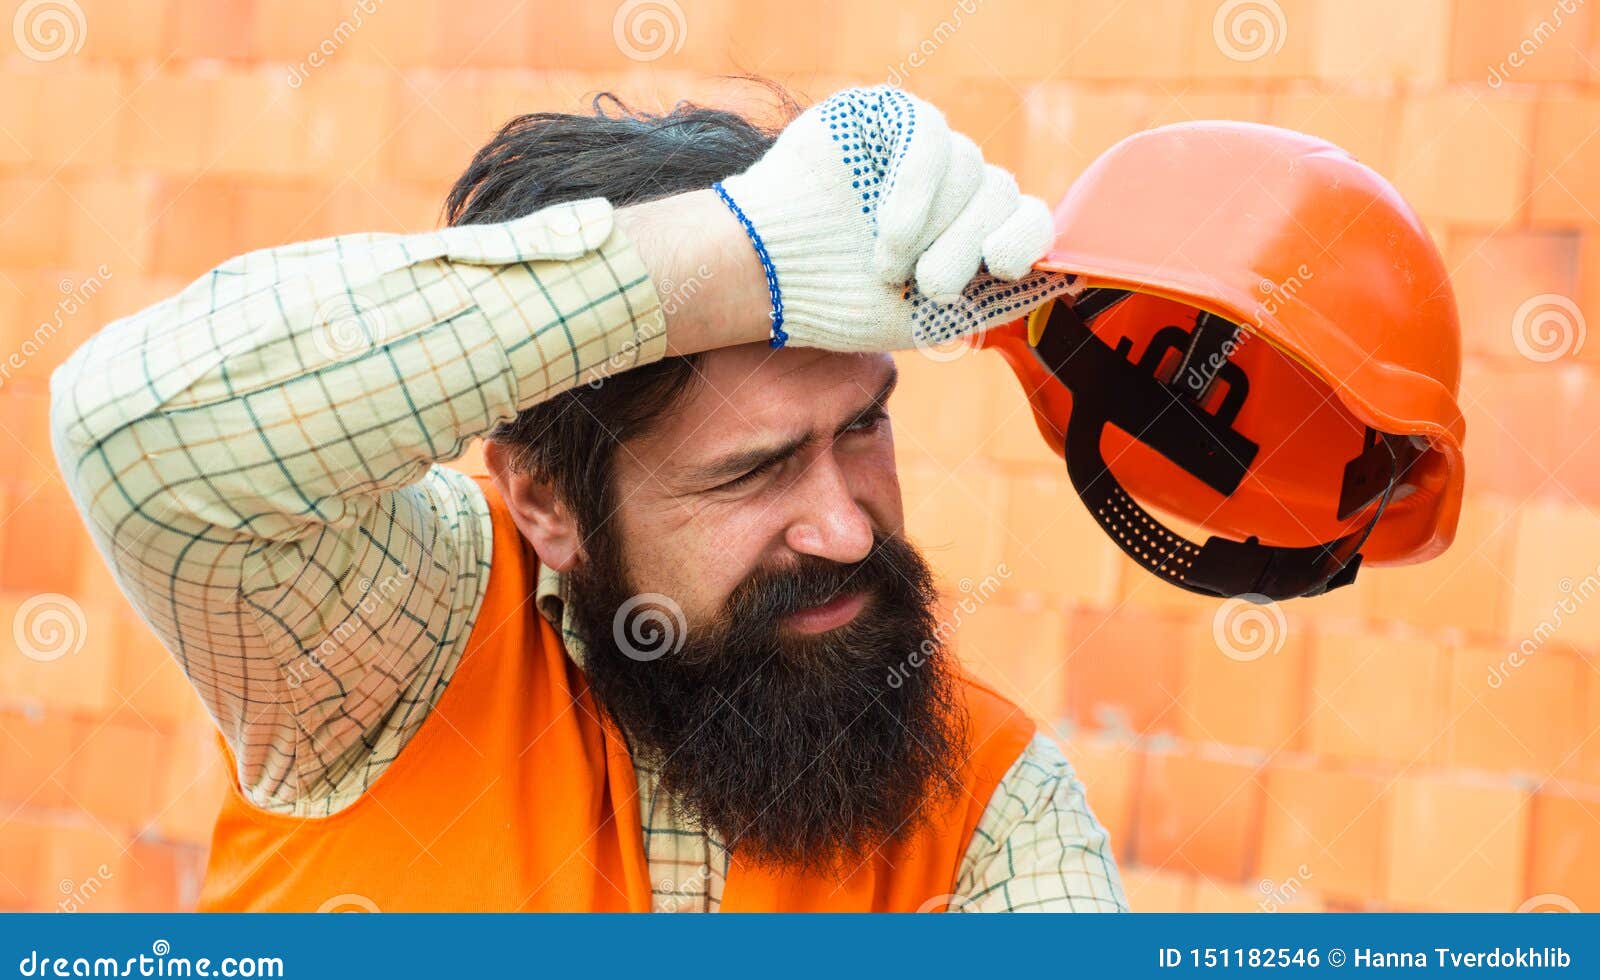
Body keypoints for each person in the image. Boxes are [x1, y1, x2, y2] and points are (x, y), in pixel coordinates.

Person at [50, 83, 1127, 912]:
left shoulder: (997, 802)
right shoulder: (392, 644)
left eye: (861, 427)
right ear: (546, 502)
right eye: (751, 470)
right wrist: (735, 255)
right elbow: (136, 431)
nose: (846, 528)